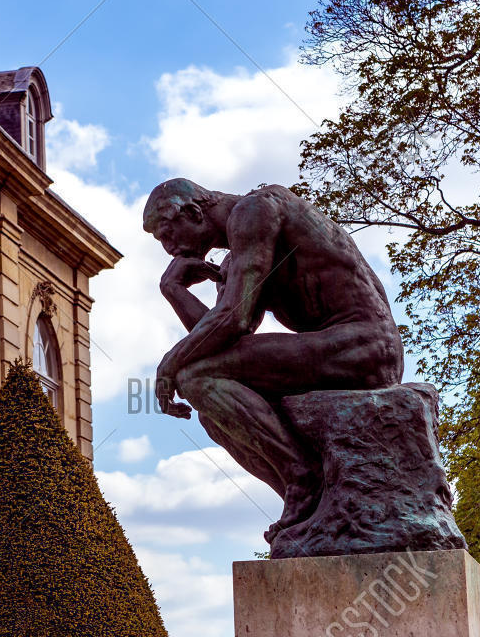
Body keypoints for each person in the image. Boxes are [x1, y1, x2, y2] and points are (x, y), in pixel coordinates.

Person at [144, 179, 403, 534]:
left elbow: (232, 320)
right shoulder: (237, 256)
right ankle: (310, 503)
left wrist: (170, 364)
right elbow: (221, 334)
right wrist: (172, 290)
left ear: (193, 212)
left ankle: (303, 476)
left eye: (168, 235)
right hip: (336, 347)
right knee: (213, 409)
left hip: (367, 344)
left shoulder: (256, 211)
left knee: (195, 378)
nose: (170, 249)